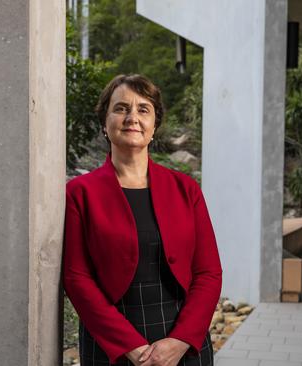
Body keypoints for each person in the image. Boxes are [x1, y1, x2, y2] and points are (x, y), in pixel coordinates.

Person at [63, 74, 222, 366]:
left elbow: (208, 272)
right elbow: (76, 278)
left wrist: (180, 340)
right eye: (121, 108)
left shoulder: (186, 189)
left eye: (143, 109)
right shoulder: (79, 193)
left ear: (154, 127)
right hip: (111, 345)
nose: (131, 117)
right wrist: (132, 348)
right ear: (104, 123)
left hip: (181, 343)